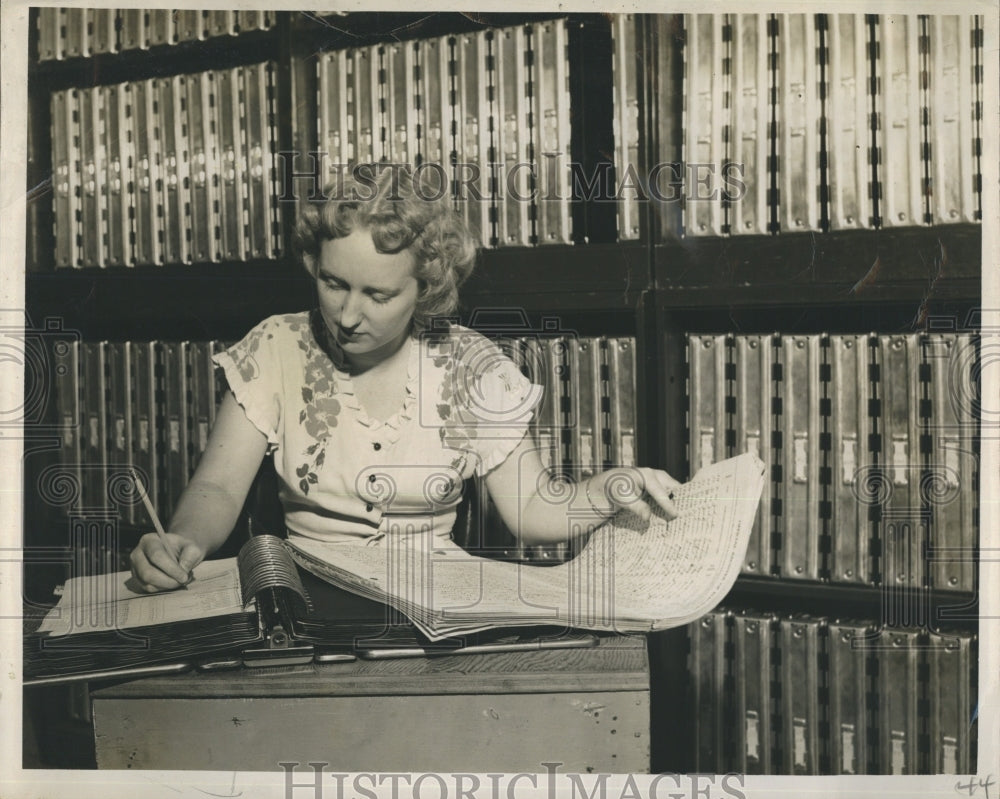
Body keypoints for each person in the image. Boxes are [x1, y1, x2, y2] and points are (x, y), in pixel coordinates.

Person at [130, 166, 680, 592]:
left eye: (378, 295)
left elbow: (533, 507)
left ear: (427, 288)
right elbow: (217, 488)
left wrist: (610, 489)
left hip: (436, 612)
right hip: (307, 606)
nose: (346, 315)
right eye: (332, 283)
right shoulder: (276, 347)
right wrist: (181, 540)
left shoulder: (473, 367)